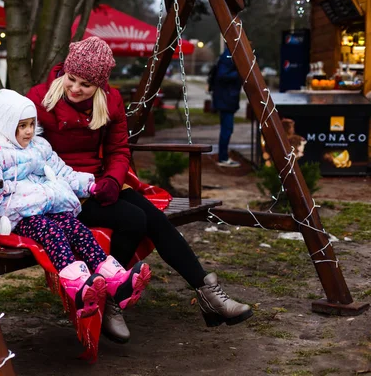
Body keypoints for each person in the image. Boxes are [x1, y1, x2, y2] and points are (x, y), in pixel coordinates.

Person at [26, 36, 252, 343]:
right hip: (59, 193)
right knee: (133, 218)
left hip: (97, 185)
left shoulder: (110, 101)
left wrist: (112, 181)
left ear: (101, 85)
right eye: (72, 79)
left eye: (86, 85)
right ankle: (111, 299)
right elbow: (23, 147)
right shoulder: (39, 98)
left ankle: (207, 290)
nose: (76, 89)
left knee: (150, 217)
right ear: (64, 72)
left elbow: (118, 149)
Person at [0, 89, 151, 319]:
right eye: (22, 126)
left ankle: (116, 280)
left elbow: (62, 171)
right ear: (5, 125)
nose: (29, 131)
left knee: (77, 229)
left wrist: (87, 185)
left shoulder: (39, 146)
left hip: (48, 205)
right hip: (17, 214)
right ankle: (77, 288)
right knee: (53, 232)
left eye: (31, 124)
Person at [211, 46, 242, 167]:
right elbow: (222, 75)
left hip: (227, 98)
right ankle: (223, 157)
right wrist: (240, 71)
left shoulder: (229, 54)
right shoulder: (228, 56)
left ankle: (223, 156)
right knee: (227, 129)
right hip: (226, 99)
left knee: (227, 129)